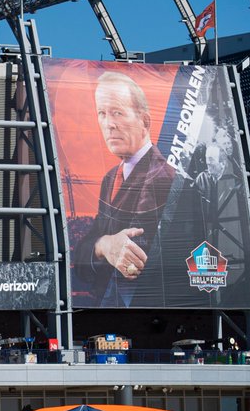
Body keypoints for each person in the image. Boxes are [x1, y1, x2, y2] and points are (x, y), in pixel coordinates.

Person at [71, 71, 176, 308]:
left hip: (139, 304)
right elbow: (82, 255)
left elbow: (135, 254)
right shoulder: (110, 178)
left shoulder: (161, 177)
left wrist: (101, 246)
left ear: (145, 121)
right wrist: (104, 245)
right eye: (102, 113)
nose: (109, 124)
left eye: (117, 112)